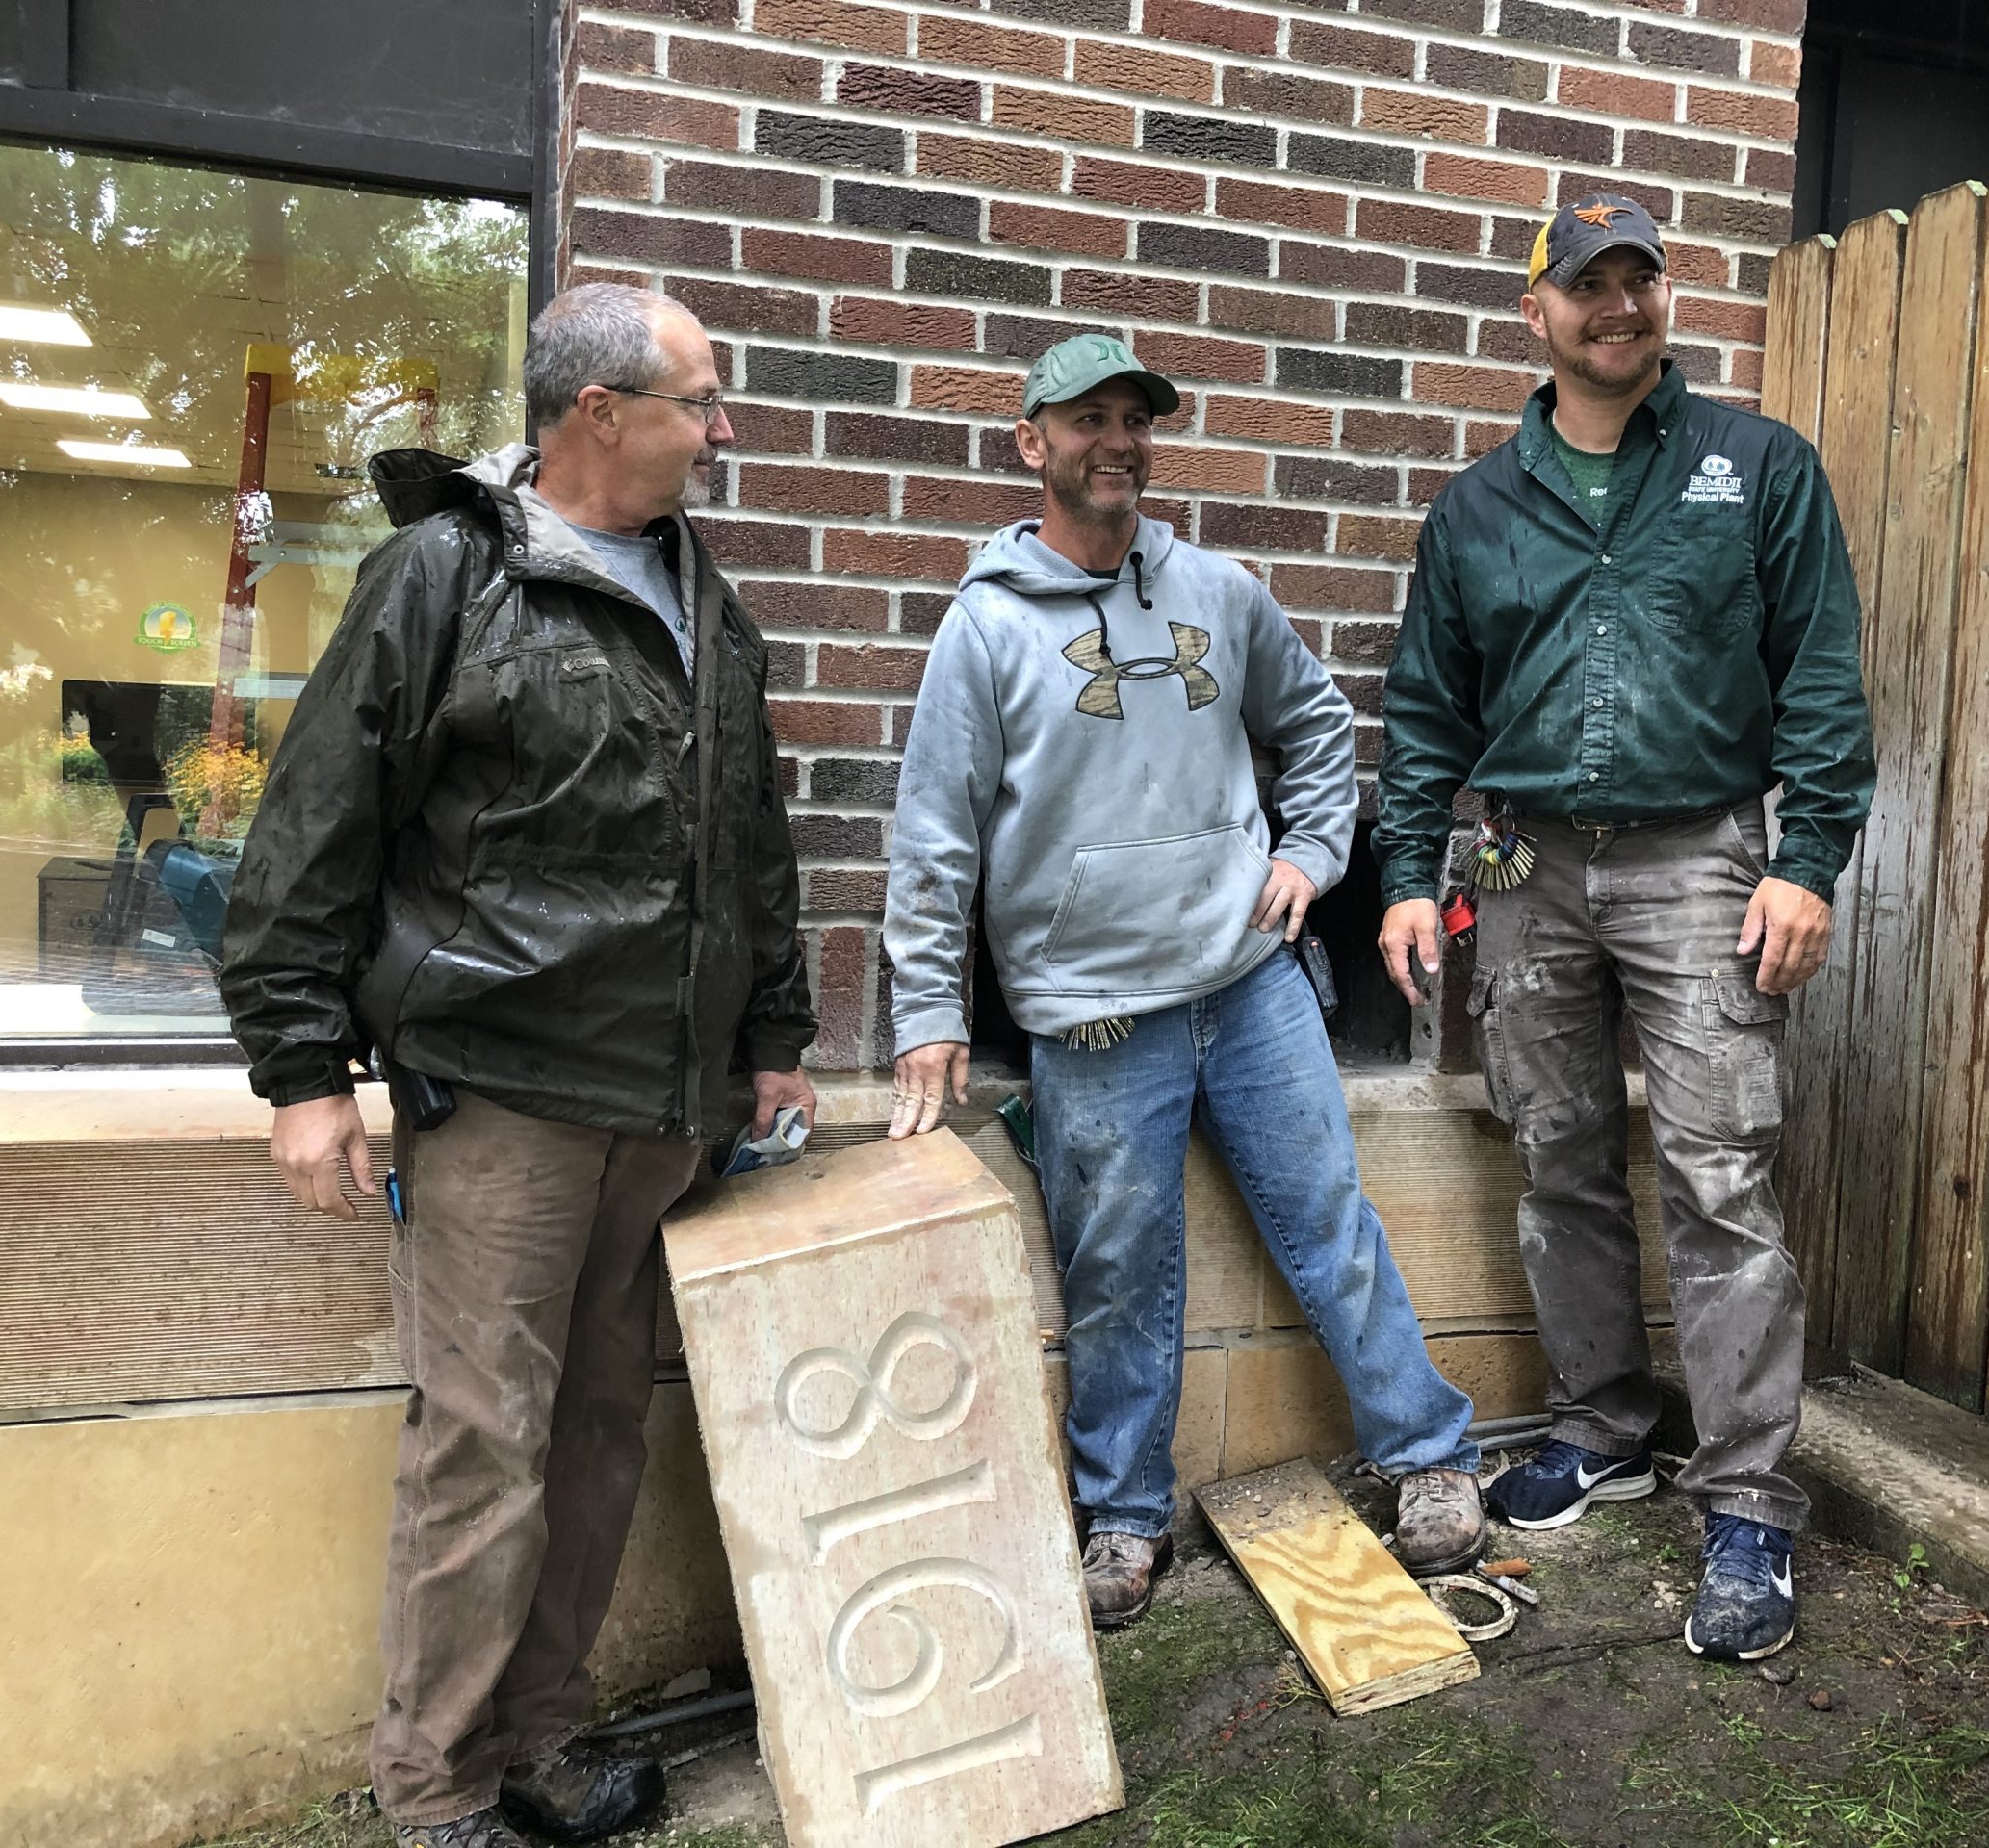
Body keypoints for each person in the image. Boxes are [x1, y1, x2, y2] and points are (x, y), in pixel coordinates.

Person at [220, 284, 816, 1848]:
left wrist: (770, 1041)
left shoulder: (704, 593)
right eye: (701, 399)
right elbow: (316, 823)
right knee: (483, 1450)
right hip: (496, 1100)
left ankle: (542, 1745)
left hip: (661, 1106)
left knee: (599, 1437)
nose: (725, 427)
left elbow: (752, 842)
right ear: (600, 412)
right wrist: (300, 1068)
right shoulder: (447, 576)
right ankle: (436, 1794)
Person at [883, 331, 1483, 1630]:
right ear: (1031, 443)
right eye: (1087, 418)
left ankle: (1432, 1459)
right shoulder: (982, 631)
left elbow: (1319, 730)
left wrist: (1317, 855)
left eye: (1135, 419)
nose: (1119, 441)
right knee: (1117, 1274)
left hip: (1250, 981)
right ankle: (1124, 1517)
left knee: (1332, 1225)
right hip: (1095, 1017)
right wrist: (927, 1011)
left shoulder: (1220, 590)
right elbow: (934, 837)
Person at [1374, 196, 1875, 1665]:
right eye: (1584, 284)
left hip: (1703, 861)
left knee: (1720, 1170)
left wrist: (1812, 859)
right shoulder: (1476, 508)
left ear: (1664, 300)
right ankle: (1603, 1425)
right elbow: (1425, 711)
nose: (1617, 305)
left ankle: (1746, 1504)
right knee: (1559, 1153)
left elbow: (1824, 674)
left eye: (1637, 279)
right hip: (1522, 866)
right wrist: (1412, 871)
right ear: (1534, 316)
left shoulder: (1757, 470)